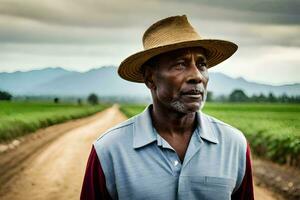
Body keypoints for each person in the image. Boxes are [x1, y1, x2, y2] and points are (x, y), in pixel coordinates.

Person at [81, 15, 254, 200]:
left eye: (202, 64)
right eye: (180, 64)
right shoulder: (109, 150)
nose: (197, 76)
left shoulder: (234, 144)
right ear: (150, 78)